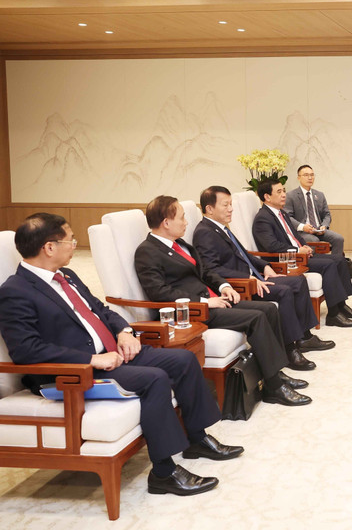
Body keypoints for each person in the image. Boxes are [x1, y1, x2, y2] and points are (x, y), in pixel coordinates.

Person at [0, 213, 240, 496]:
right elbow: (26, 350)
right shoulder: (14, 292)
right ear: (49, 247)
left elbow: (101, 310)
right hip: (75, 373)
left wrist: (125, 331)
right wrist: (91, 360)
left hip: (112, 354)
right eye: (70, 239)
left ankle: (196, 438)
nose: (74, 245)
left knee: (183, 359)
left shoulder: (67, 276)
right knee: (155, 379)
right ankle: (164, 473)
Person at [134, 196, 311, 406]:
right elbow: (159, 292)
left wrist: (224, 287)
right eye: (181, 218)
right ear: (166, 222)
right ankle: (273, 387)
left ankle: (275, 373)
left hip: (214, 299)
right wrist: (204, 302)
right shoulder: (147, 251)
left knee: (269, 309)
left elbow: (206, 271)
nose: (186, 222)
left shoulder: (180, 244)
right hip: (191, 311)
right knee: (256, 318)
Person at [192, 185, 335, 362]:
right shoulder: (204, 232)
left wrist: (265, 266)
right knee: (284, 291)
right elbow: (211, 269)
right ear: (209, 208)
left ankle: (304, 337)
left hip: (256, 277)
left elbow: (244, 254)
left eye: (231, 204)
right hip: (242, 286)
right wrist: (248, 278)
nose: (231, 209)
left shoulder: (221, 228)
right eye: (225, 205)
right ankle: (289, 349)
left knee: (298, 281)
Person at [252, 179, 352, 327]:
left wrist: (305, 246)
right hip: (286, 260)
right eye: (279, 192)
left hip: (299, 254)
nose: (284, 195)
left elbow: (294, 236)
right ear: (267, 197)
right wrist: (298, 250)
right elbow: (271, 246)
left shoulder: (282, 213)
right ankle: (334, 314)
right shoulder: (263, 218)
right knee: (329, 264)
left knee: (339, 259)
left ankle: (341, 306)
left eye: (283, 190)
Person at [285, 165, 352, 279]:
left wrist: (324, 226)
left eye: (312, 175)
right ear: (298, 178)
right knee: (313, 240)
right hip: (302, 232)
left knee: (338, 238)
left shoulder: (319, 195)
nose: (310, 178)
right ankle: (315, 271)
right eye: (306, 175)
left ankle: (336, 270)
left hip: (319, 229)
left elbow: (327, 214)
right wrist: (302, 227)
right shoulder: (291, 196)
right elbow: (288, 217)